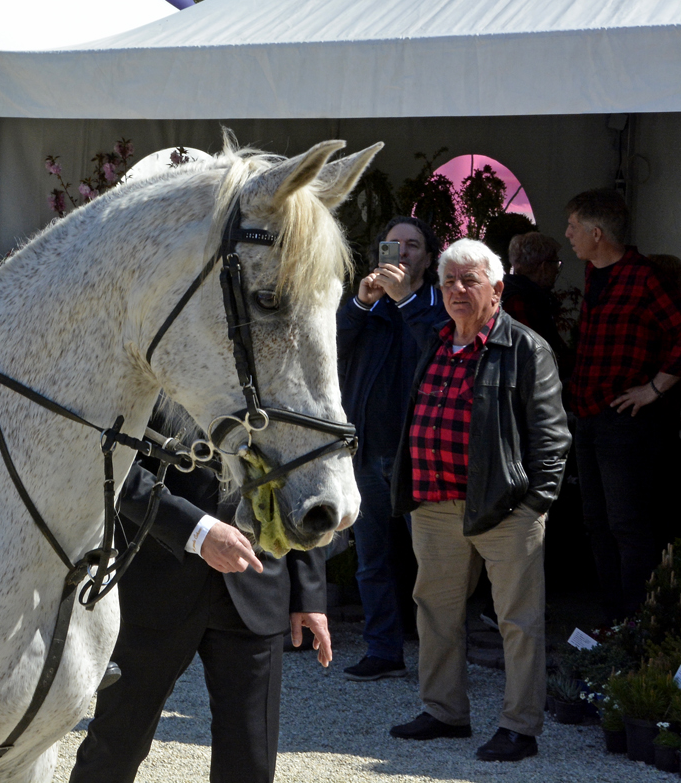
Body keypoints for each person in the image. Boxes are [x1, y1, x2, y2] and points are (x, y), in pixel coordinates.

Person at [69, 402, 331, 783]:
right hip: (155, 584)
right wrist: (196, 530)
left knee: (251, 764)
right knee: (114, 750)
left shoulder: (272, 361)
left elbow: (304, 470)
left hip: (257, 584)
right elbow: (112, 467)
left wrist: (309, 594)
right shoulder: (149, 354)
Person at [387, 239, 569, 763]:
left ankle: (520, 726)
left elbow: (552, 437)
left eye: (470, 281)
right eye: (449, 282)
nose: (458, 291)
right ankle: (444, 711)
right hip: (434, 504)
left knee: (518, 621)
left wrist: (535, 503)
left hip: (505, 508)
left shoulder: (525, 347)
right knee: (435, 613)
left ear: (498, 288)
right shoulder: (438, 341)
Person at [336, 216, 448, 681]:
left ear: (428, 256)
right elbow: (334, 345)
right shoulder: (367, 304)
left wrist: (405, 301)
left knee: (435, 563)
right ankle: (383, 649)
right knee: (372, 560)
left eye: (412, 244)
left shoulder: (439, 303)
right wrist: (362, 302)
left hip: (422, 455)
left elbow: (439, 351)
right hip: (368, 450)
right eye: (392, 244)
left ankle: (439, 658)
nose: (401, 252)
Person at [563, 189, 681, 618]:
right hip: (589, 416)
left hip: (627, 422)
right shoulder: (595, 273)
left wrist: (655, 388)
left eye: (574, 226)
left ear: (597, 233)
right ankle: (612, 616)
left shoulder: (646, 277)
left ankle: (637, 621)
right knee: (596, 523)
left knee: (628, 525)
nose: (568, 235)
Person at [501, 232, 571, 379]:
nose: (557, 270)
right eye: (556, 263)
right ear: (544, 266)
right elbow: (536, 354)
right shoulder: (520, 300)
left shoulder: (510, 292)